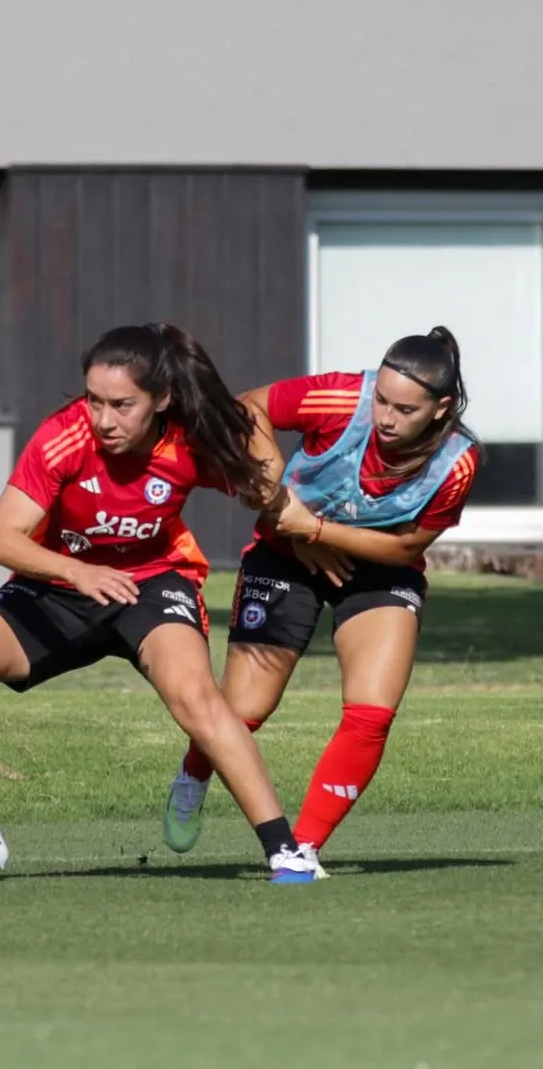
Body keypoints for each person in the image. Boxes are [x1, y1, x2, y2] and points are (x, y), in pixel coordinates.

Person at [0, 322, 318, 883]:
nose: (104, 419)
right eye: (95, 400)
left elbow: (257, 457)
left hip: (154, 584)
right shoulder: (64, 437)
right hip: (62, 582)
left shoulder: (188, 439)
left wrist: (276, 494)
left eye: (122, 404)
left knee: (197, 697)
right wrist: (78, 571)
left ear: (162, 400)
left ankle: (284, 849)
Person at [162, 325, 481, 881]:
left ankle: (302, 849)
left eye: (404, 409)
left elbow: (406, 545)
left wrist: (318, 530)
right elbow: (251, 407)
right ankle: (194, 773)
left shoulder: (458, 462)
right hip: (285, 550)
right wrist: (281, 503)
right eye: (381, 399)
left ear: (441, 408)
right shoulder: (339, 397)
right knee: (244, 711)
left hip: (378, 563)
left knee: (372, 712)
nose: (384, 417)